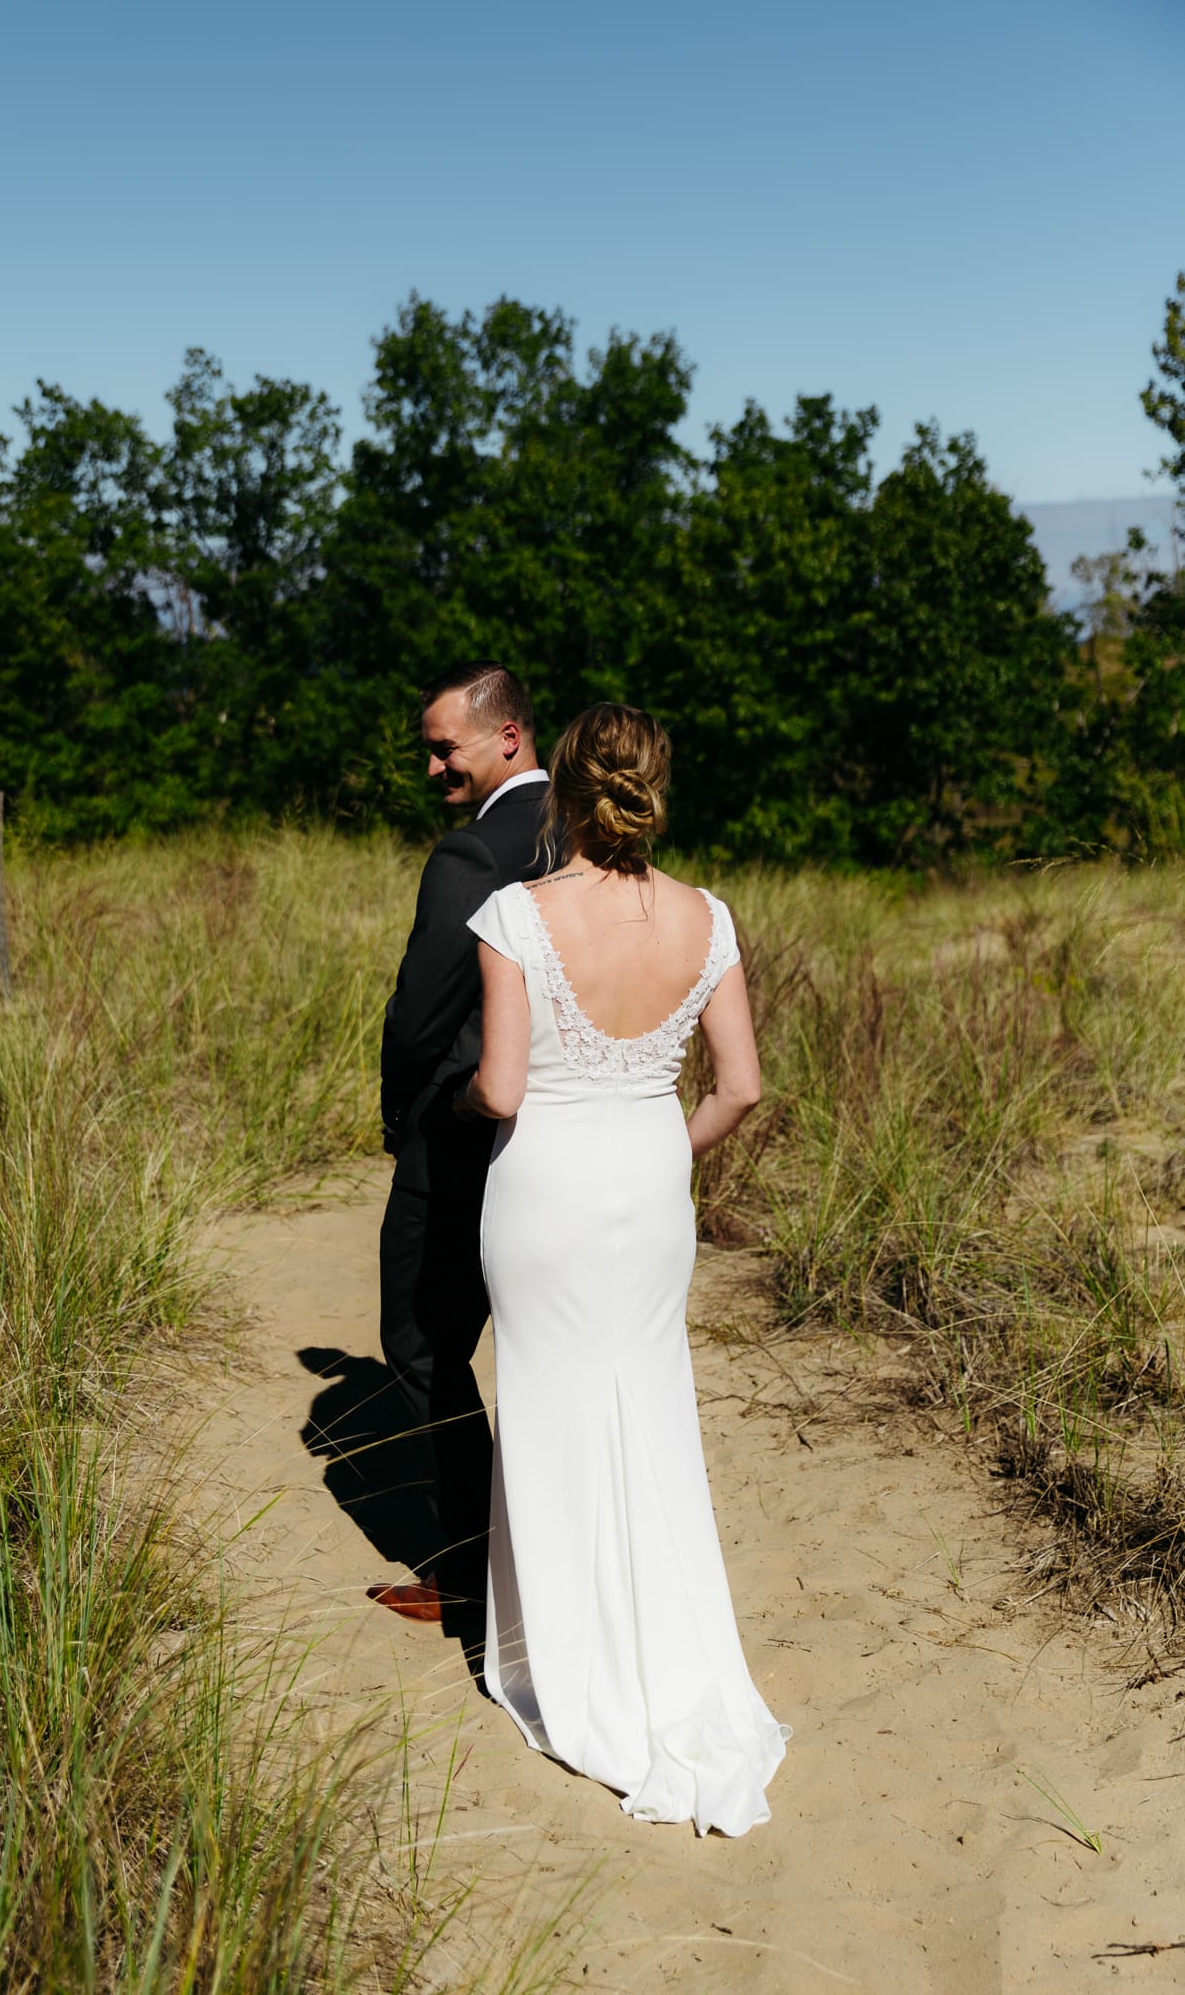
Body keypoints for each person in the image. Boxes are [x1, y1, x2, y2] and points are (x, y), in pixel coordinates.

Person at [456, 703, 790, 1834]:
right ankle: (674, 1652)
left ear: (558, 786)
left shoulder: (516, 911)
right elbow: (737, 1084)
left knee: (547, 1407)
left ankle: (573, 1653)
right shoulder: (710, 917)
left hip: (542, 1186)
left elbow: (501, 1089)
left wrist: (458, 1105)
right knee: (648, 1407)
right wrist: (661, 1148)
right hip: (650, 1192)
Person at [373, 660, 552, 1624]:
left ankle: (471, 1571)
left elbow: (422, 1014)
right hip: (573, 1139)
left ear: (508, 736)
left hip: (465, 1138)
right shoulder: (588, 834)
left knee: (422, 1338)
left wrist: (404, 1118)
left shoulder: (471, 856)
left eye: (446, 748)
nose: (435, 768)